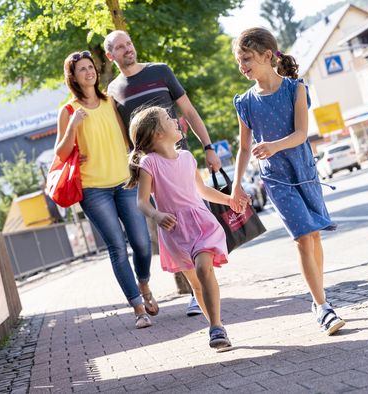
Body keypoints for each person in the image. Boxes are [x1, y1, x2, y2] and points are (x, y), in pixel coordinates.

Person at [230, 28, 345, 336]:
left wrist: (272, 145)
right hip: (276, 179)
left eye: (246, 58)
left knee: (315, 236)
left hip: (303, 170)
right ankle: (322, 307)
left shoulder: (295, 89)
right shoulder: (245, 102)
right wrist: (236, 184)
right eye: (238, 60)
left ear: (268, 56)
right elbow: (243, 148)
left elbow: (301, 134)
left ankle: (321, 298)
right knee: (302, 236)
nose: (242, 66)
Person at [104, 30, 222, 316]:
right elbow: (125, 138)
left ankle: (202, 286)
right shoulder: (113, 91)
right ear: (111, 56)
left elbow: (190, 112)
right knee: (173, 227)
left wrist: (208, 147)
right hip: (153, 171)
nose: (127, 50)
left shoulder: (160, 71)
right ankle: (196, 288)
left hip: (179, 160)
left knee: (194, 214)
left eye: (129, 43)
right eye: (120, 48)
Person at [126, 106, 248, 350]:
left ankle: (215, 327)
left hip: (201, 223)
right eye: (168, 119)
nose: (174, 121)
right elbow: (142, 201)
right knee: (196, 284)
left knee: (205, 270)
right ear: (157, 134)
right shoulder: (150, 163)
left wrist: (229, 200)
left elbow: (201, 191)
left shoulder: (187, 158)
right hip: (175, 231)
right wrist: (157, 215)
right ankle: (216, 325)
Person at [55, 50, 158, 329]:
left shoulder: (111, 102)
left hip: (125, 182)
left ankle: (144, 284)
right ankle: (138, 308)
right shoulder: (68, 112)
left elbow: (128, 139)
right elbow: (62, 153)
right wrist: (73, 128)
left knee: (141, 242)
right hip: (93, 189)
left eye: (91, 68)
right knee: (117, 247)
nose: (89, 72)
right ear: (73, 77)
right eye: (82, 70)